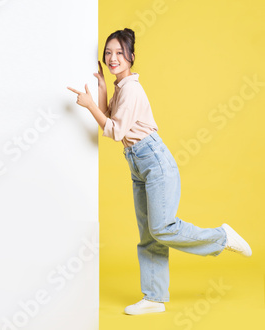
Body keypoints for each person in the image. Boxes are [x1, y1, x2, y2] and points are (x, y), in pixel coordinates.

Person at [67, 28, 252, 315]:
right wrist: (102, 90)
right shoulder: (121, 87)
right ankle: (153, 297)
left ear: (131, 56)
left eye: (119, 52)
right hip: (138, 163)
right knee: (149, 234)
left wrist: (90, 105)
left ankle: (222, 237)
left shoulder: (132, 89)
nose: (113, 58)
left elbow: (114, 131)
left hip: (154, 160)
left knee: (161, 228)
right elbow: (111, 119)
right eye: (108, 53)